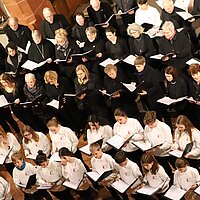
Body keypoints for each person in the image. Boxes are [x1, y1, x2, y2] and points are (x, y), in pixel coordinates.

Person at [143, 111, 173, 177]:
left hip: (168, 153)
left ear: (155, 120)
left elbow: (169, 142)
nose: (149, 126)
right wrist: (148, 147)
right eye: (148, 125)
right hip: (157, 154)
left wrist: (160, 148)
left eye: (151, 124)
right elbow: (147, 139)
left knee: (176, 168)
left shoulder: (164, 127)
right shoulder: (146, 127)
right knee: (166, 171)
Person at [187, 63, 200, 129]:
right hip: (196, 107)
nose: (195, 77)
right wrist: (191, 97)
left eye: (197, 74)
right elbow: (190, 92)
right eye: (193, 75)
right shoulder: (191, 81)